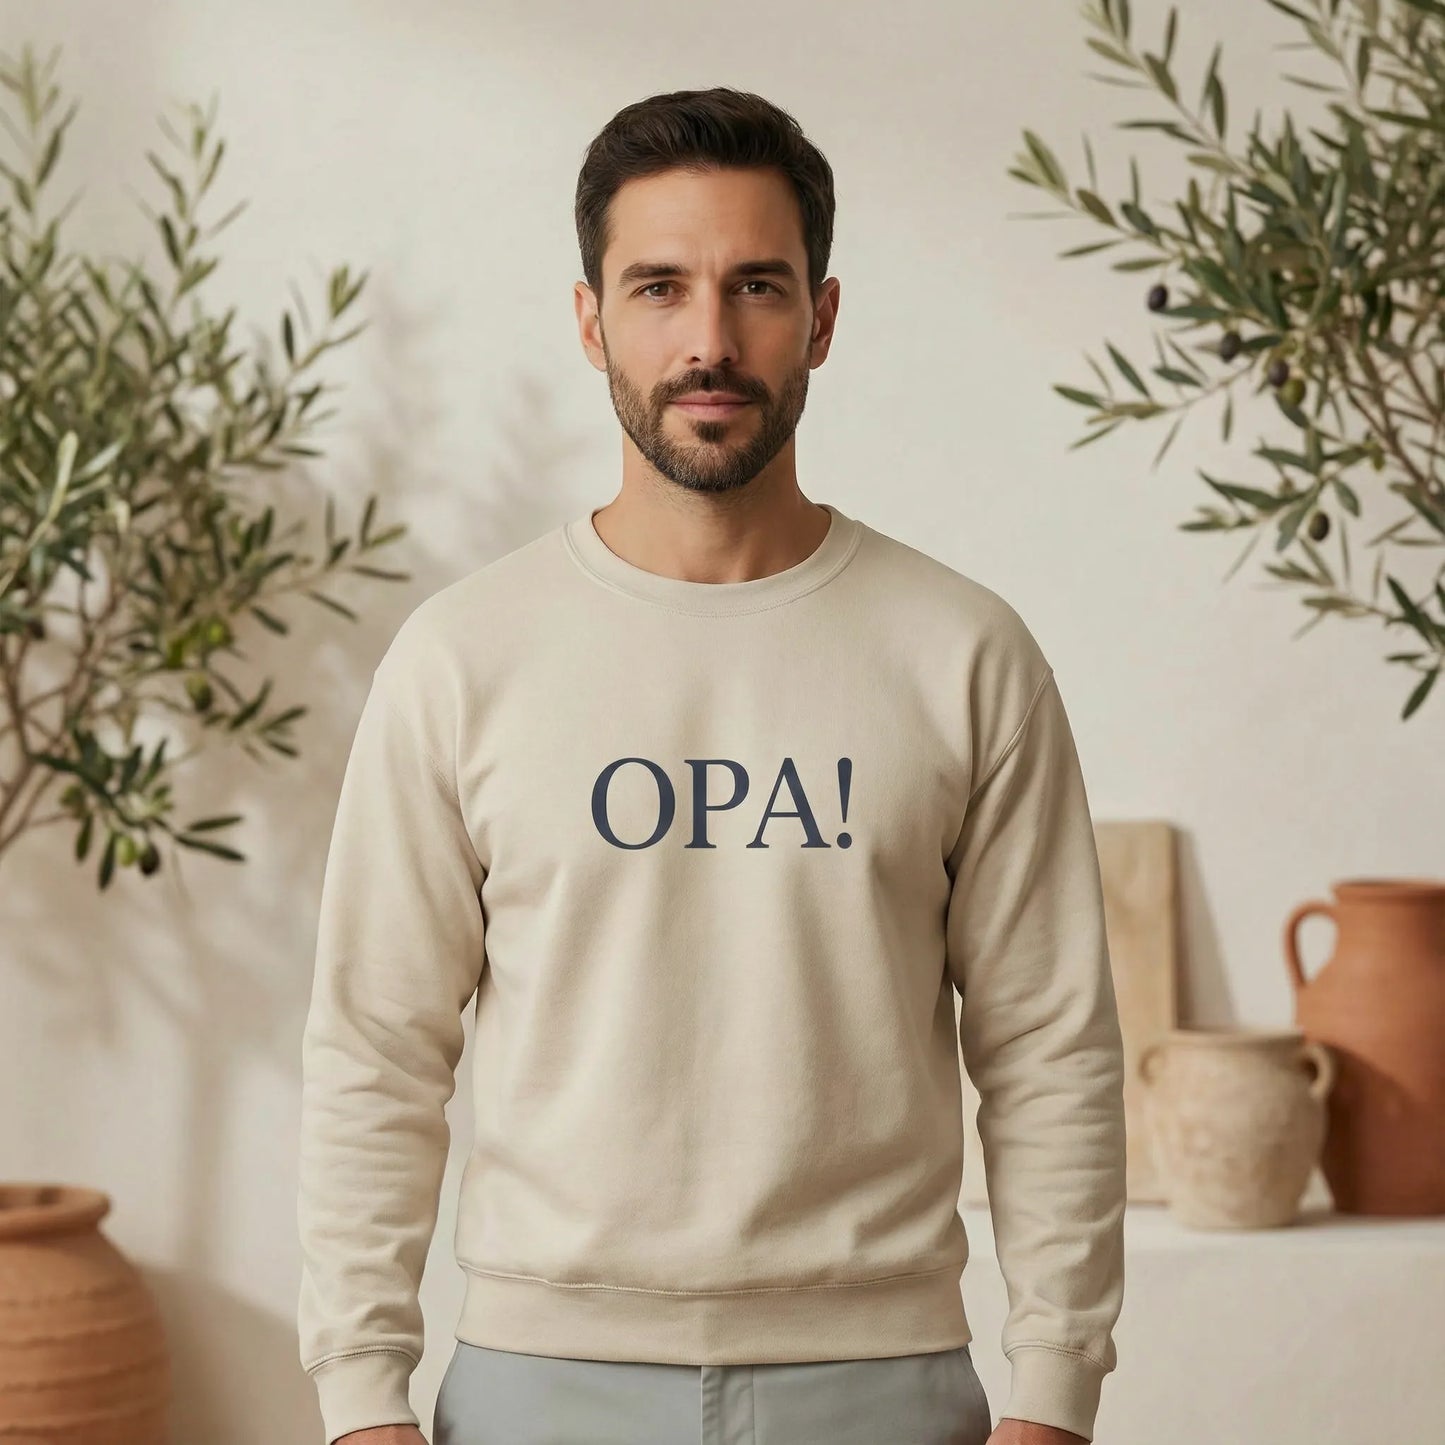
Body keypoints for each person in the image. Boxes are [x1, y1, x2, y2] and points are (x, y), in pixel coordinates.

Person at [296, 86, 1127, 1445]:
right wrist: (357, 1398)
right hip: (533, 1383)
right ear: (589, 322)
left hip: (888, 1380)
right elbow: (374, 1045)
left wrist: (1053, 1392)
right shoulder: (463, 658)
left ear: (823, 315)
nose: (707, 339)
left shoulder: (962, 652)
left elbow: (1047, 1042)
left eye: (755, 286)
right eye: (658, 287)